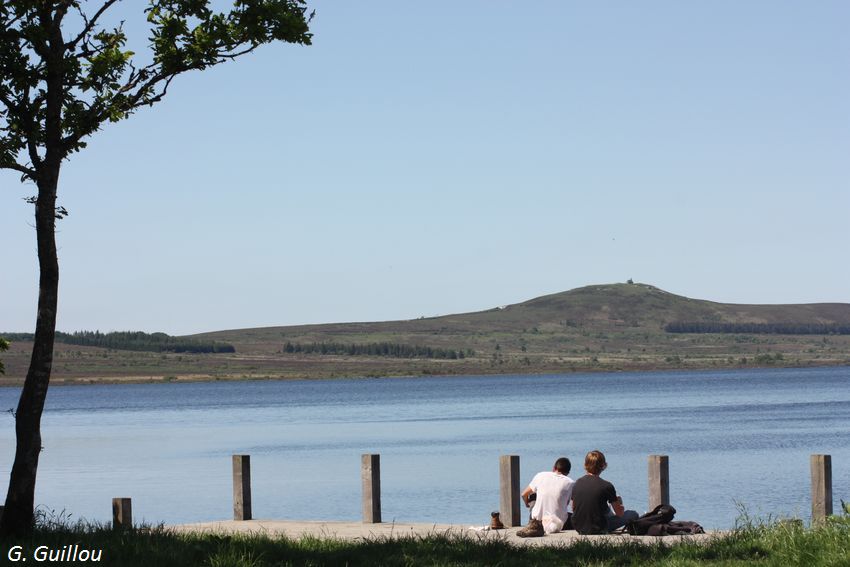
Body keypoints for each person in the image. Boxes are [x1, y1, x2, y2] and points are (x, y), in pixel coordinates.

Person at [571, 450, 639, 534]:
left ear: (585, 465)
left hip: (579, 526)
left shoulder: (577, 483)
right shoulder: (607, 486)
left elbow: (573, 508)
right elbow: (619, 513)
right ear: (603, 466)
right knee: (633, 514)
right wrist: (620, 504)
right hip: (599, 527)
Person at [516, 457, 574, 537]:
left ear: (554, 468)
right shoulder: (570, 483)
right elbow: (573, 505)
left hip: (536, 520)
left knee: (533, 494)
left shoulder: (540, 475)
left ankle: (535, 525)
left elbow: (523, 494)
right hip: (559, 523)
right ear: (568, 472)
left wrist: (527, 504)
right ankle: (541, 527)